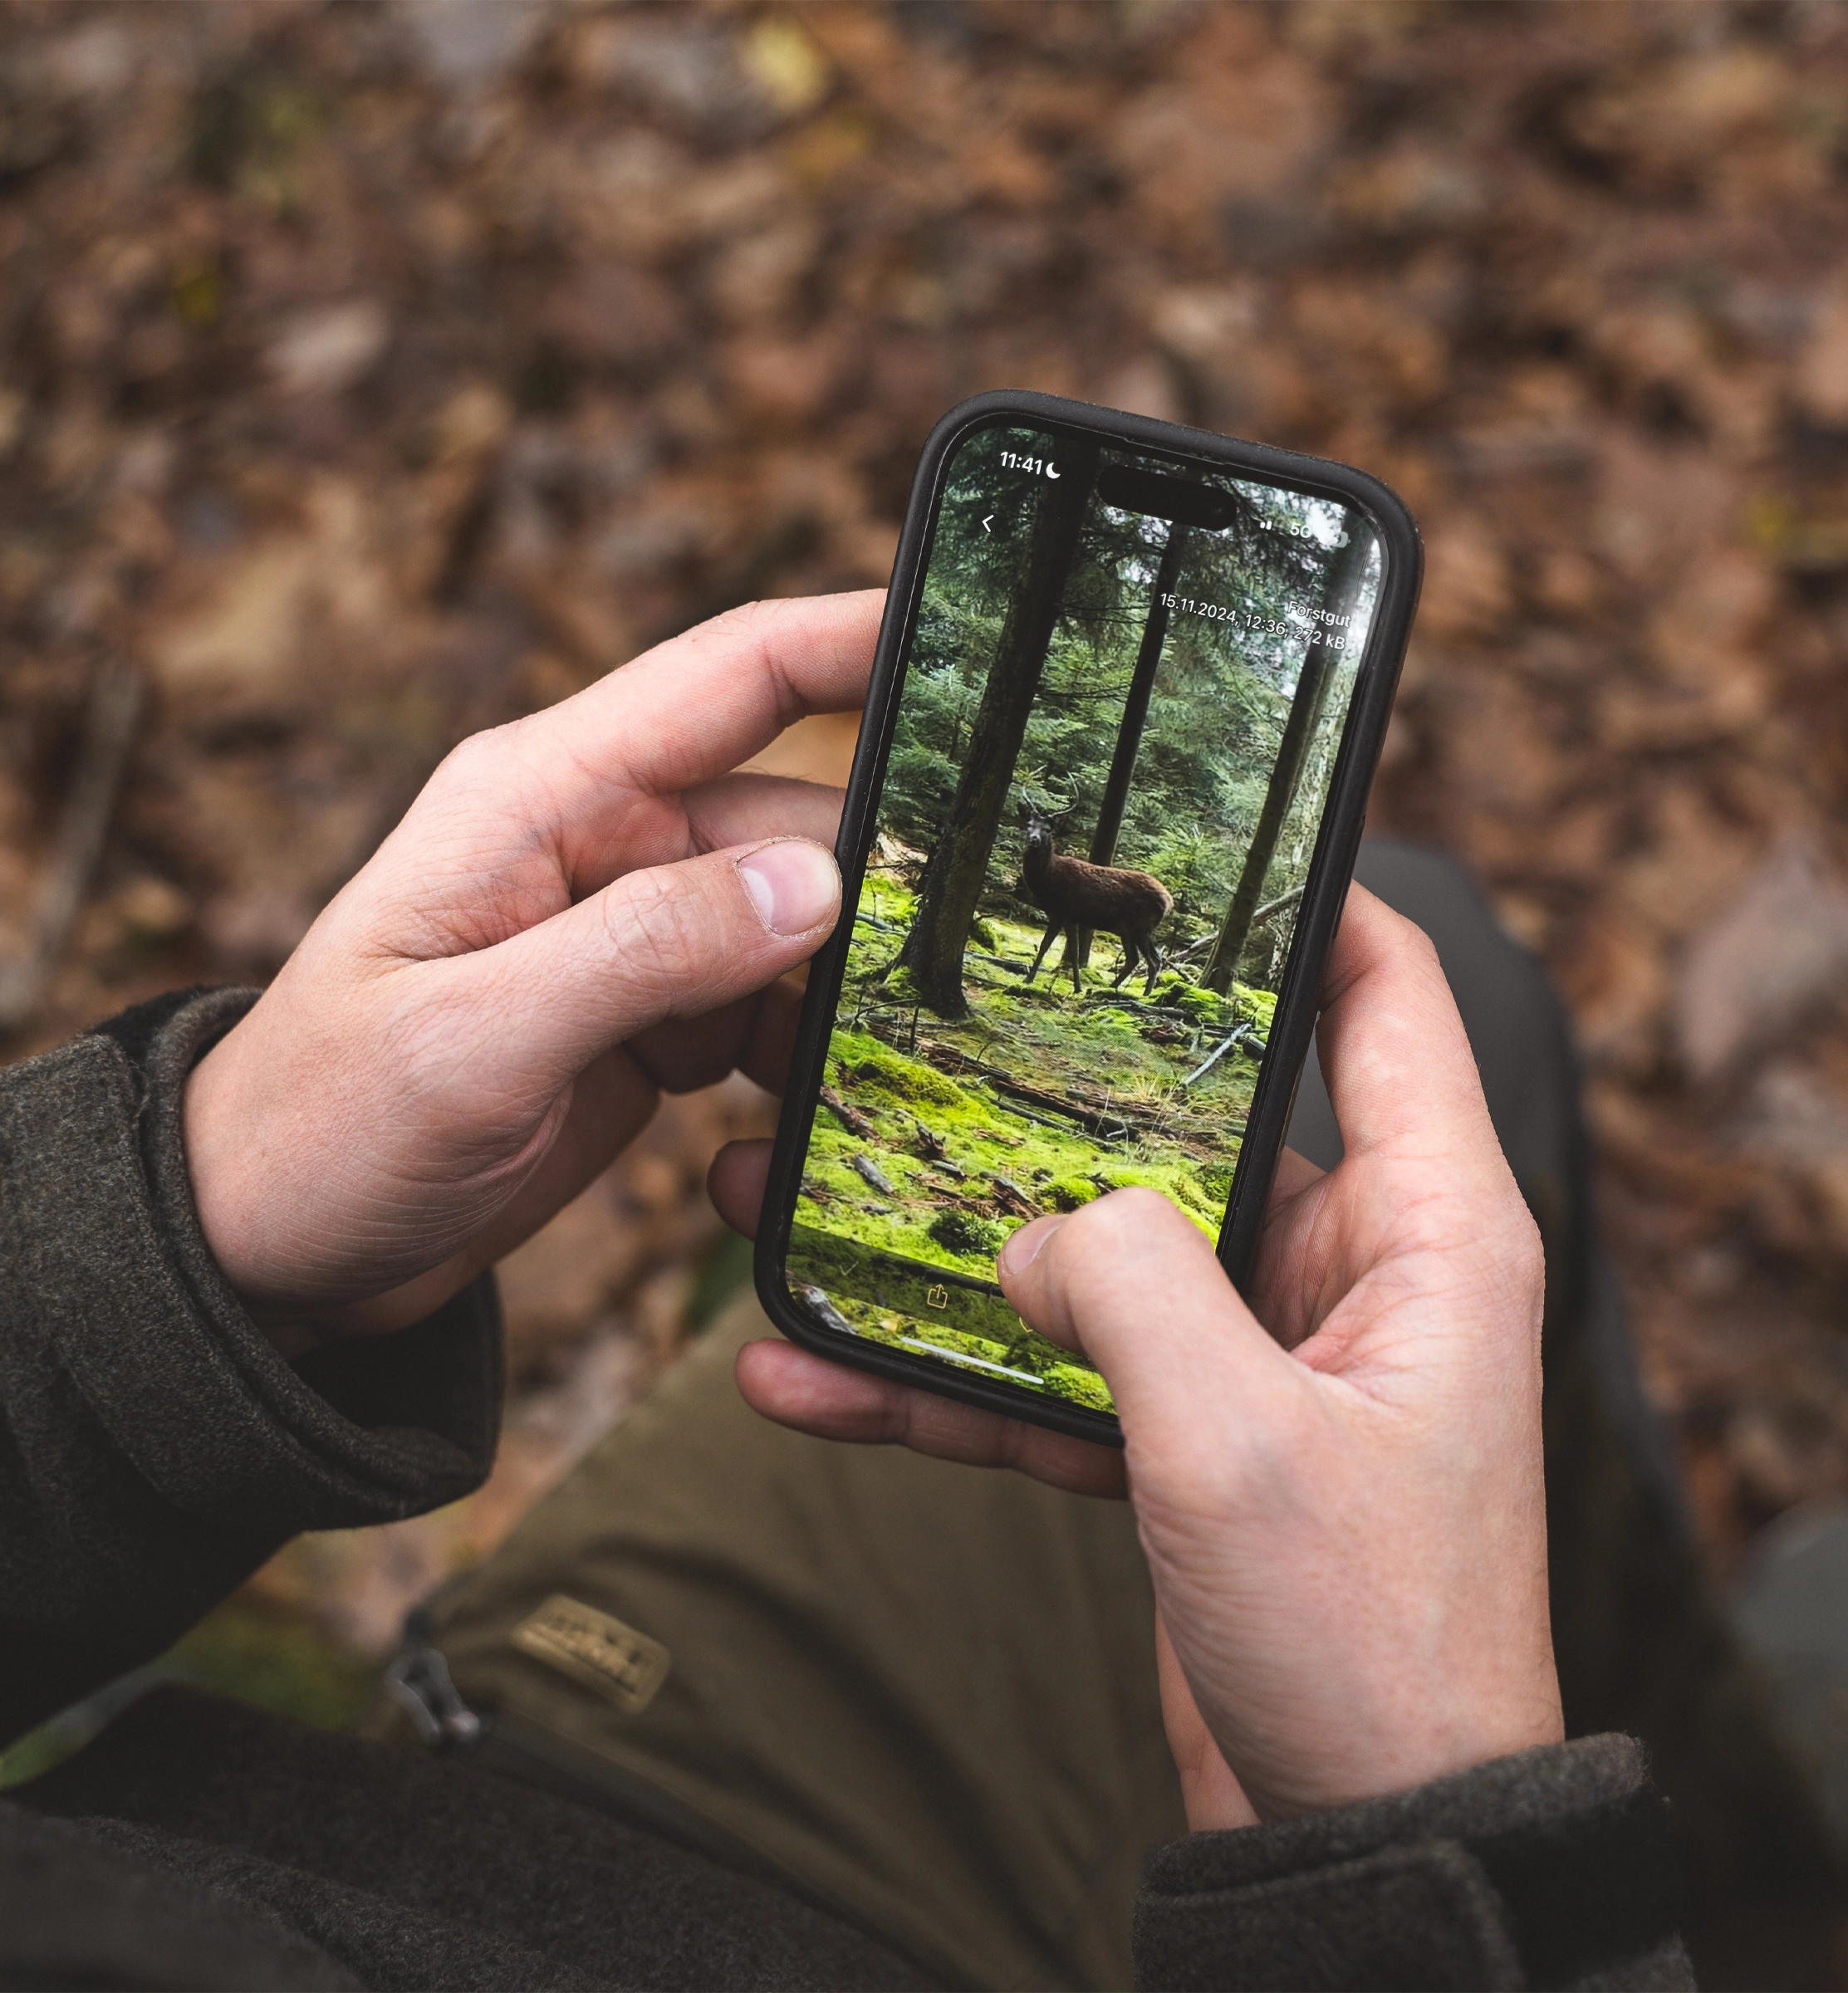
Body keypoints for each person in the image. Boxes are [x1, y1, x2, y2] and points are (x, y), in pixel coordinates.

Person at [1, 592, 1690, 1989]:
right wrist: (1478, 1861)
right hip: (926, 1927)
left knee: (1410, 971)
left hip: (423, 1828)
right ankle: (1711, 1820)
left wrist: (173, 1242)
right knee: (1442, 975)